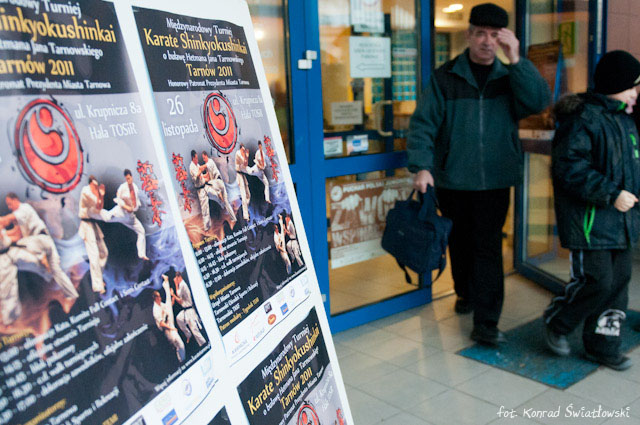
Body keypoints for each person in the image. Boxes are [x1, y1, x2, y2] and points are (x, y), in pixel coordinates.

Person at [407, 3, 550, 345]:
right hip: (453, 178)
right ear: (469, 35)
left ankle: (486, 322)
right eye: (481, 34)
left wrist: (517, 59)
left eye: (495, 35)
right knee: (459, 241)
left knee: (488, 247)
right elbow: (423, 124)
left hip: (495, 180)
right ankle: (465, 292)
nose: (487, 41)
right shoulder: (445, 77)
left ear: (503, 39)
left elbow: (538, 101)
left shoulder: (510, 76)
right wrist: (422, 166)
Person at [543, 50, 640, 371]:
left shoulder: (625, 120)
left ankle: (603, 346)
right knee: (597, 281)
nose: (636, 93)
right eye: (632, 86)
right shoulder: (583, 119)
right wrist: (612, 194)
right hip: (590, 222)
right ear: (615, 84)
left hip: (622, 221)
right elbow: (569, 167)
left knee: (619, 283)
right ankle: (557, 321)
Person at [0, 193, 78, 299]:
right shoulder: (20, 221)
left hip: (39, 241)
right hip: (45, 243)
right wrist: (3, 234)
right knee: (56, 271)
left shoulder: (24, 209)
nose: (9, 207)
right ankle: (72, 294)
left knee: (12, 252)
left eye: (10, 204)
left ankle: (41, 258)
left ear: (15, 200)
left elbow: (7, 220)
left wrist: (2, 230)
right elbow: (16, 235)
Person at [105, 169, 149, 261]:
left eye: (129, 178)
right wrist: (125, 206)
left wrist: (132, 208)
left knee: (141, 231)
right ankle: (96, 212)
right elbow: (117, 198)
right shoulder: (122, 187)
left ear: (131, 177)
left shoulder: (135, 188)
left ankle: (141, 254)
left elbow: (136, 203)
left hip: (130, 217)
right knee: (107, 217)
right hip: (121, 211)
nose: (128, 180)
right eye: (126, 179)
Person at [78, 176, 109, 294]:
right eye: (94, 186)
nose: (96, 187)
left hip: (93, 225)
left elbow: (99, 208)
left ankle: (98, 279)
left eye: (97, 186)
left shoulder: (95, 194)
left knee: (104, 253)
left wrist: (102, 195)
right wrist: (99, 194)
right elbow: (95, 203)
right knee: (94, 256)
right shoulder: (85, 191)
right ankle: (98, 286)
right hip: (86, 226)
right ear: (90, 184)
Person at [153, 274, 185, 362]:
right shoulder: (155, 309)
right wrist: (172, 329)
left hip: (169, 322)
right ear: (155, 298)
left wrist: (173, 298)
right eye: (159, 297)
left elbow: (168, 306)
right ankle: (181, 360)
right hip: (167, 328)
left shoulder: (160, 304)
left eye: (160, 296)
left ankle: (166, 282)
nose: (160, 298)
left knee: (168, 299)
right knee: (179, 344)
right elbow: (161, 324)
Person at [172, 271, 206, 346]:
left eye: (176, 279)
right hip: (185, 311)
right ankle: (188, 334)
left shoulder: (182, 285)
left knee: (195, 331)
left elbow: (179, 297)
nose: (176, 280)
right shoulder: (181, 285)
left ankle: (204, 344)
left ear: (178, 277)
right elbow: (180, 301)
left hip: (190, 311)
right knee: (179, 319)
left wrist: (175, 285)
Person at [201, 151, 236, 222]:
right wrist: (202, 177)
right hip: (218, 184)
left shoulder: (210, 161)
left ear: (206, 156)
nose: (204, 159)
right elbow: (207, 176)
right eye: (203, 158)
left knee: (207, 187)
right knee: (225, 202)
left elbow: (203, 167)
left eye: (204, 158)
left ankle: (218, 193)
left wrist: (197, 170)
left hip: (217, 182)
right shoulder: (208, 166)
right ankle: (233, 217)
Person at [190, 149, 213, 231]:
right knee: (204, 209)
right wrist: (200, 170)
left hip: (204, 186)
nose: (197, 159)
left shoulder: (197, 165)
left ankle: (209, 225)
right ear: (193, 158)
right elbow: (197, 176)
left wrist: (207, 173)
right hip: (200, 189)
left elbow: (202, 176)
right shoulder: (192, 167)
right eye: (196, 158)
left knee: (207, 207)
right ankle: (206, 228)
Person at [235, 144, 251, 221]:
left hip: (243, 175)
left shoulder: (243, 155)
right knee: (244, 196)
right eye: (243, 150)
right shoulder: (238, 154)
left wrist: (246, 156)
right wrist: (246, 156)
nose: (243, 151)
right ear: (240, 149)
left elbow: (246, 164)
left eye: (244, 150)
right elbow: (244, 163)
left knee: (248, 195)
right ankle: (246, 216)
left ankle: (245, 210)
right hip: (239, 175)